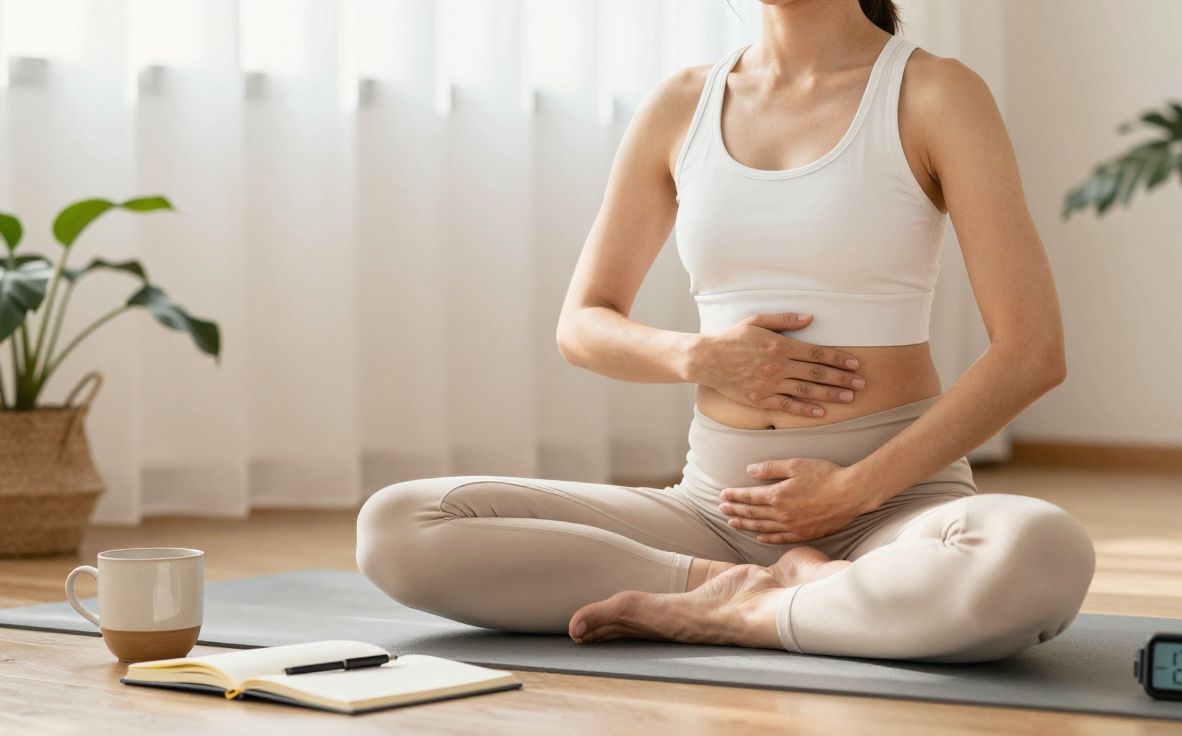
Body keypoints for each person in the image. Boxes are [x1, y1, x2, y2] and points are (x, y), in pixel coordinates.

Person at [356, 0, 1095, 663]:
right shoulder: (682, 104)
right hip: (711, 511)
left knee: (1038, 552)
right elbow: (583, 324)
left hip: (896, 511)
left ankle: (758, 613)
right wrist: (700, 355)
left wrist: (854, 492)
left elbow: (1032, 351)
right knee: (398, 527)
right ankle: (742, 591)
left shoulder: (934, 93)